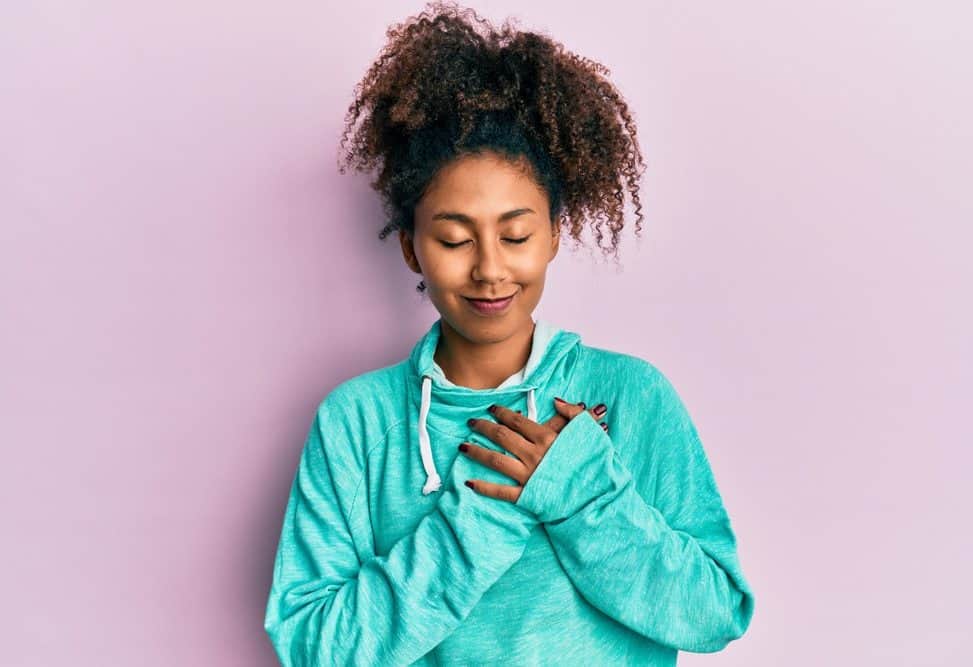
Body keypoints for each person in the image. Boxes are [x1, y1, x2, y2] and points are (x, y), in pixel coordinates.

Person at [263, 2, 755, 664]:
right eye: (454, 238)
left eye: (516, 234)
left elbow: (714, 611)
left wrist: (581, 493)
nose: (490, 268)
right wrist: (480, 520)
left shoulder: (629, 394)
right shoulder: (357, 423)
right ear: (411, 247)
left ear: (555, 232)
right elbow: (310, 645)